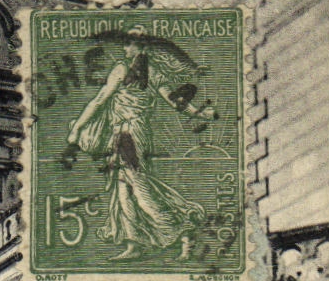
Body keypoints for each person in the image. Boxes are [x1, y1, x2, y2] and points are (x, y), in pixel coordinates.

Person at [64, 26, 217, 259]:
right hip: (133, 133)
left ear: (141, 47)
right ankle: (135, 244)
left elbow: (98, 101)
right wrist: (199, 114)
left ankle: (183, 228)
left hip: (128, 134)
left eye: (130, 44)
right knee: (123, 187)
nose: (125, 48)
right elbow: (175, 101)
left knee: (139, 186)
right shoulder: (154, 73)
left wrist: (77, 127)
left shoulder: (122, 69)